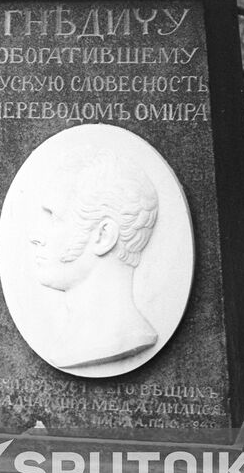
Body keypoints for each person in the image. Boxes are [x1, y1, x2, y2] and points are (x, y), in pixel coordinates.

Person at [28, 145, 159, 368]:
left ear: (103, 236)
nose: (35, 237)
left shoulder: (122, 339)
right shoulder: (68, 344)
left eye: (54, 218)